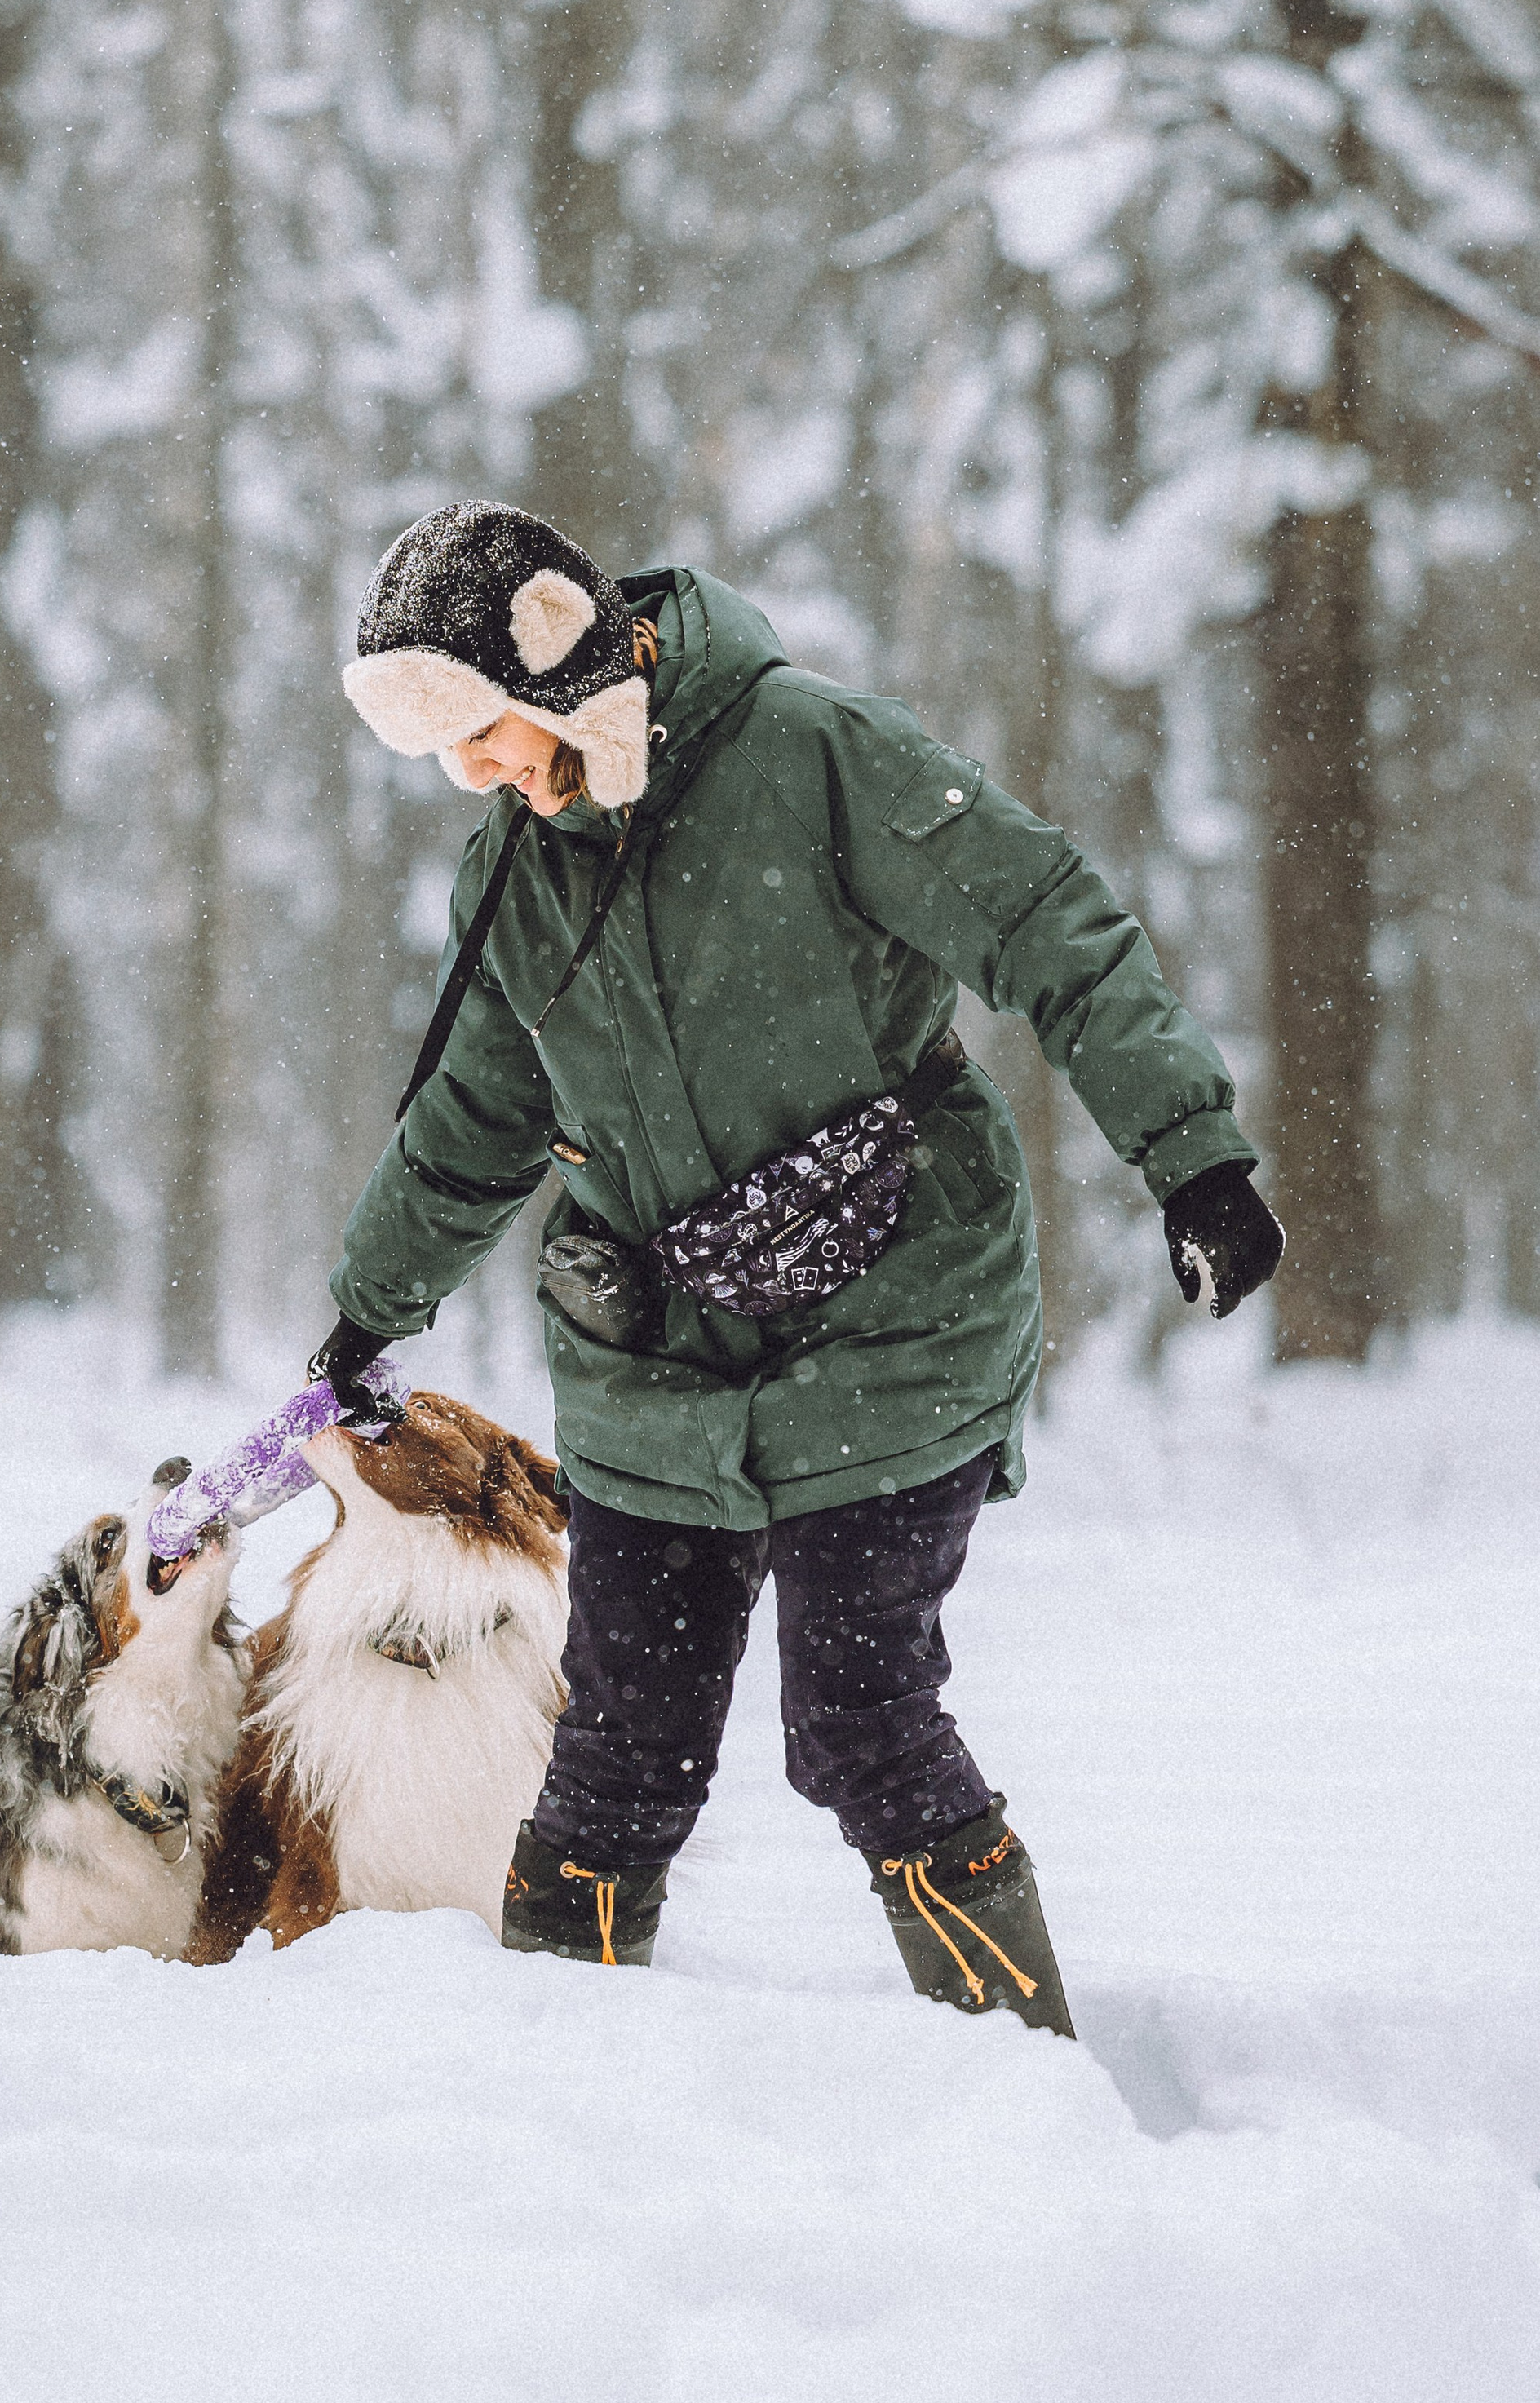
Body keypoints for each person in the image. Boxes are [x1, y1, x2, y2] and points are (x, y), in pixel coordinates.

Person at [308, 503, 1282, 2027]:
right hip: (658, 1353)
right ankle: (554, 2105)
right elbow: (479, 1111)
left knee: (859, 1716)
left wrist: (1195, 1156)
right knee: (620, 1749)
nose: (477, 772)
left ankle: (1020, 2077)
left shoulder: (816, 755)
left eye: (486, 729)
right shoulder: (514, 873)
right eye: (450, 750)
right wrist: (371, 1309)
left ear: (563, 668)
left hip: (896, 1311)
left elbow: (1053, 929)